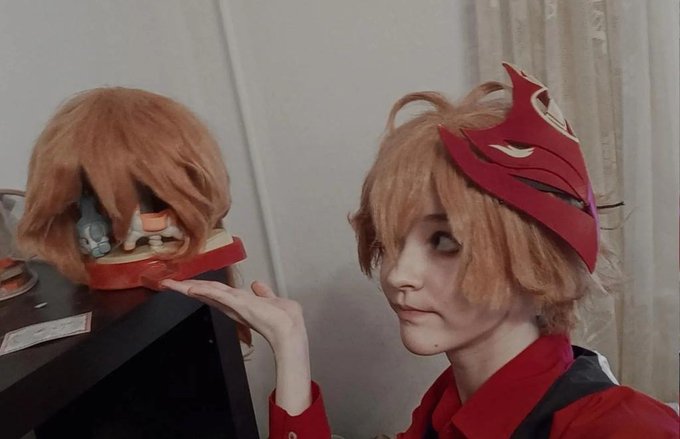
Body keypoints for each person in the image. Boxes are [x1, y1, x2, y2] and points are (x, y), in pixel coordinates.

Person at [162, 64, 679, 438]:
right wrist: (290, 345)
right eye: (391, 240)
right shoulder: (449, 402)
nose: (397, 275)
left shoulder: (618, 427)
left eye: (444, 241)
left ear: (538, 260)